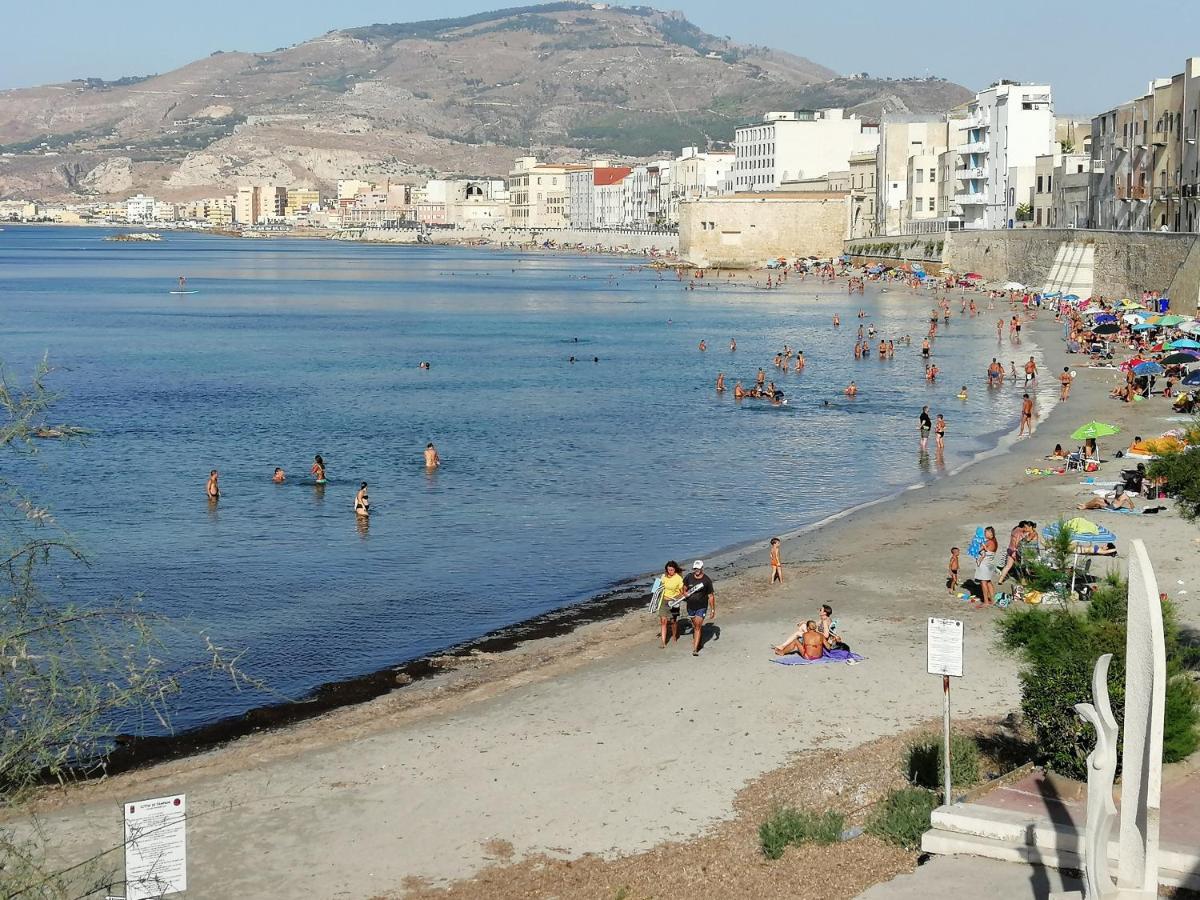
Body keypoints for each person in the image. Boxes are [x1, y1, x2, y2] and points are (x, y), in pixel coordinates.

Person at [682, 560, 715, 656]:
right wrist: (684, 593)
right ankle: (699, 641)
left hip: (702, 606)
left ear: (702, 568)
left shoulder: (707, 580)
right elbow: (683, 588)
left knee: (697, 626)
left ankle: (695, 649)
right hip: (690, 606)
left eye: (698, 568)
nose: (697, 570)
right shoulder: (689, 577)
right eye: (695, 568)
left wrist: (712, 610)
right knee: (695, 624)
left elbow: (711, 596)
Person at [655, 560, 685, 647]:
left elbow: (681, 592)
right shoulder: (663, 576)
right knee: (663, 621)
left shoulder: (679, 578)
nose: (670, 571)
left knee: (673, 621)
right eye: (668, 570)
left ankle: (674, 635)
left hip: (674, 601)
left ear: (675, 569)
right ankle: (663, 642)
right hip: (663, 600)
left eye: (671, 570)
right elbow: (658, 587)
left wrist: (676, 598)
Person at [974, 526, 999, 606]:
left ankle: (986, 601)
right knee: (988, 582)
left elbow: (977, 550)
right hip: (990, 564)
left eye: (986, 532)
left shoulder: (988, 542)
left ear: (990, 533)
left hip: (984, 564)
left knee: (983, 582)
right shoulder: (995, 541)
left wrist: (980, 543)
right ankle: (993, 599)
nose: (984, 534)